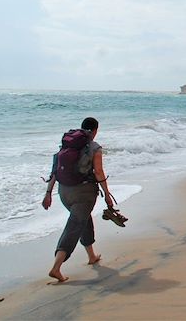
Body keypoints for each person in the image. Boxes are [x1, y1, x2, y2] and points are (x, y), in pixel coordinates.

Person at [42, 117, 115, 283]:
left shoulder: (67, 145)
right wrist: (108, 195)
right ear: (95, 131)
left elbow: (55, 170)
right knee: (74, 225)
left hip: (64, 192)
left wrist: (48, 194)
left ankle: (91, 255)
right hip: (84, 193)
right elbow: (99, 172)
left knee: (83, 219)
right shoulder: (95, 148)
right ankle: (56, 267)